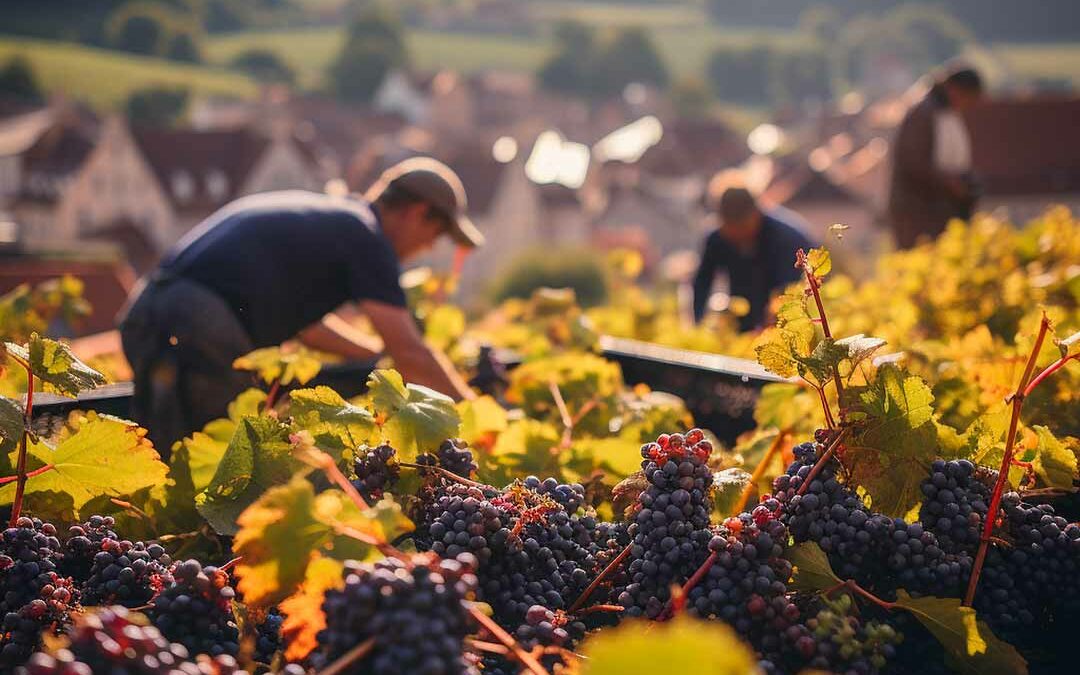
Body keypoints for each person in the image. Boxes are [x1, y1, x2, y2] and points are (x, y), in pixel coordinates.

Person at [119, 157, 481, 452]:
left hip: (150, 308)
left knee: (169, 447)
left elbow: (309, 328)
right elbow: (411, 353)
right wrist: (473, 413)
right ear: (418, 212)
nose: (430, 247)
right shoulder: (367, 237)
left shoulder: (337, 220)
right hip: (201, 321)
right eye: (435, 235)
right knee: (228, 461)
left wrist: (372, 354)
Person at [692, 181, 815, 332]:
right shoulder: (716, 239)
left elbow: (790, 291)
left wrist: (770, 327)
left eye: (742, 227)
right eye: (731, 228)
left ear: (756, 214)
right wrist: (697, 324)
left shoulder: (786, 239)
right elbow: (702, 283)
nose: (738, 234)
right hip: (743, 320)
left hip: (785, 323)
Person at [887, 64, 985, 249]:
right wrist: (950, 183)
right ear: (953, 89)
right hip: (920, 211)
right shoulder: (922, 114)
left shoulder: (945, 113)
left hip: (939, 208)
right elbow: (914, 163)